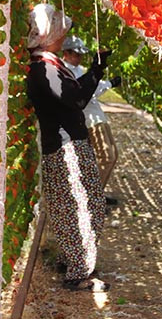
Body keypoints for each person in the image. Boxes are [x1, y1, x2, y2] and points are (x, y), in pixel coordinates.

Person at [26, 3, 111, 292]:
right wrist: (97, 70)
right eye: (60, 30)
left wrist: (97, 68)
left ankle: (77, 263)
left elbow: (74, 95)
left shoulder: (47, 65)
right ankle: (78, 273)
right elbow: (75, 99)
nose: (64, 35)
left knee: (76, 206)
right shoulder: (45, 69)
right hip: (66, 148)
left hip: (66, 145)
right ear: (49, 34)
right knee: (83, 207)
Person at [61, 36, 121, 205]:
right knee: (106, 156)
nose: (79, 58)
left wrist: (109, 82)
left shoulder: (77, 68)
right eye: (76, 54)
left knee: (113, 155)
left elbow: (93, 85)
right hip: (89, 119)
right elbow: (85, 92)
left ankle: (97, 193)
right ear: (66, 53)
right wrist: (100, 78)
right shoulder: (64, 71)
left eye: (80, 54)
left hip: (98, 116)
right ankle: (90, 198)